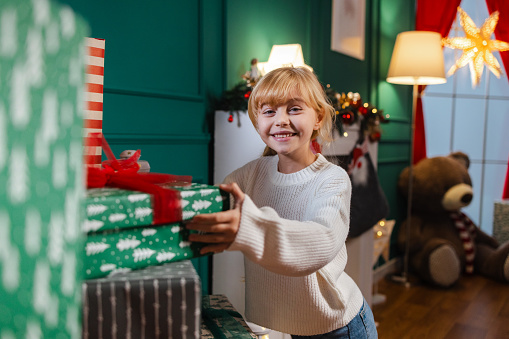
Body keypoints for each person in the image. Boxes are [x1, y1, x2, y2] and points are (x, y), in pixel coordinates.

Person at [186, 67, 378, 338]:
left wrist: (249, 229)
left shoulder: (332, 180)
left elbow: (320, 241)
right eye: (269, 111)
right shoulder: (251, 174)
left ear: (318, 117)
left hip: (340, 326)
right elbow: (210, 206)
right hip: (296, 326)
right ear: (258, 121)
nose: (280, 120)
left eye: (294, 109)